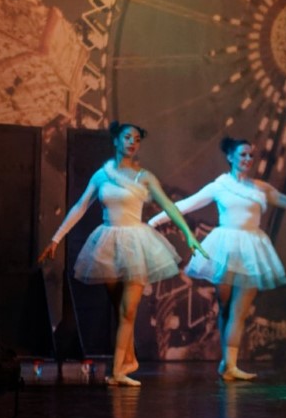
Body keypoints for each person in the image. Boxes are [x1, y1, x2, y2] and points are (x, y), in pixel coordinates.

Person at [39, 121, 208, 387]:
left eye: (137, 139)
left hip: (136, 243)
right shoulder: (102, 175)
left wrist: (188, 234)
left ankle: (118, 372)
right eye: (128, 137)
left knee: (128, 310)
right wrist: (56, 238)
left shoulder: (145, 177)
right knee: (120, 310)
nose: (132, 142)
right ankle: (128, 361)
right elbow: (80, 207)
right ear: (116, 140)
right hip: (108, 243)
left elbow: (169, 206)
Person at [149, 137, 286, 381]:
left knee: (239, 311)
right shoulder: (220, 186)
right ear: (231, 157)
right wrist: (154, 221)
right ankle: (227, 363)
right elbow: (186, 205)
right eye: (242, 154)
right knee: (224, 307)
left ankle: (230, 365)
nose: (247, 159)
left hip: (252, 249)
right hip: (225, 248)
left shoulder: (260, 188)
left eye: (250, 155)